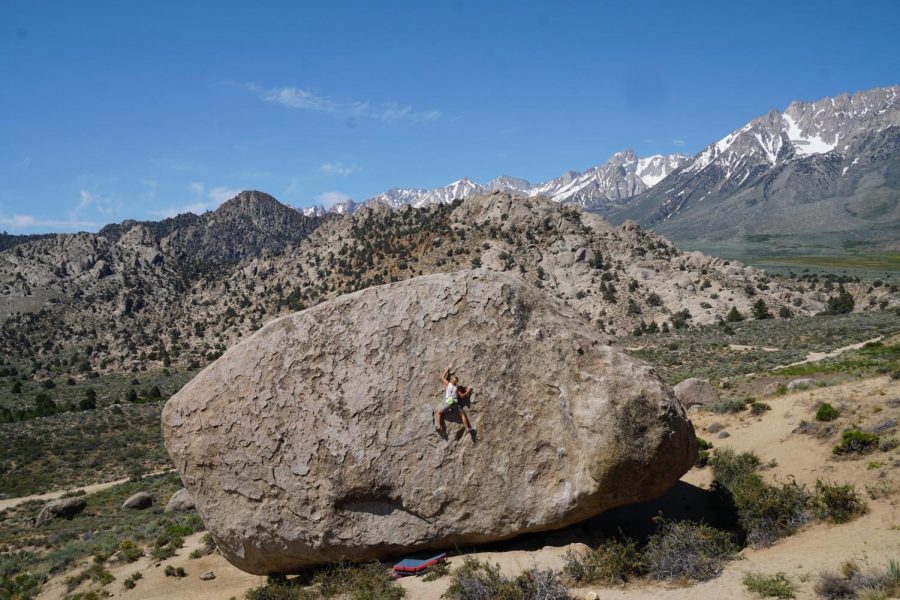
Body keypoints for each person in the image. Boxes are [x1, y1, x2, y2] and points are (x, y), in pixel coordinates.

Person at [435, 365, 475, 436]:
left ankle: (438, 425)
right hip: (455, 402)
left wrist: (446, 370)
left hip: (450, 400)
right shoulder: (456, 388)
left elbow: (441, 378)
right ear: (456, 382)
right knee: (462, 415)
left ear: (451, 380)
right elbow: (462, 396)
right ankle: (467, 428)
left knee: (438, 412)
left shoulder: (448, 384)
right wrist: (468, 390)